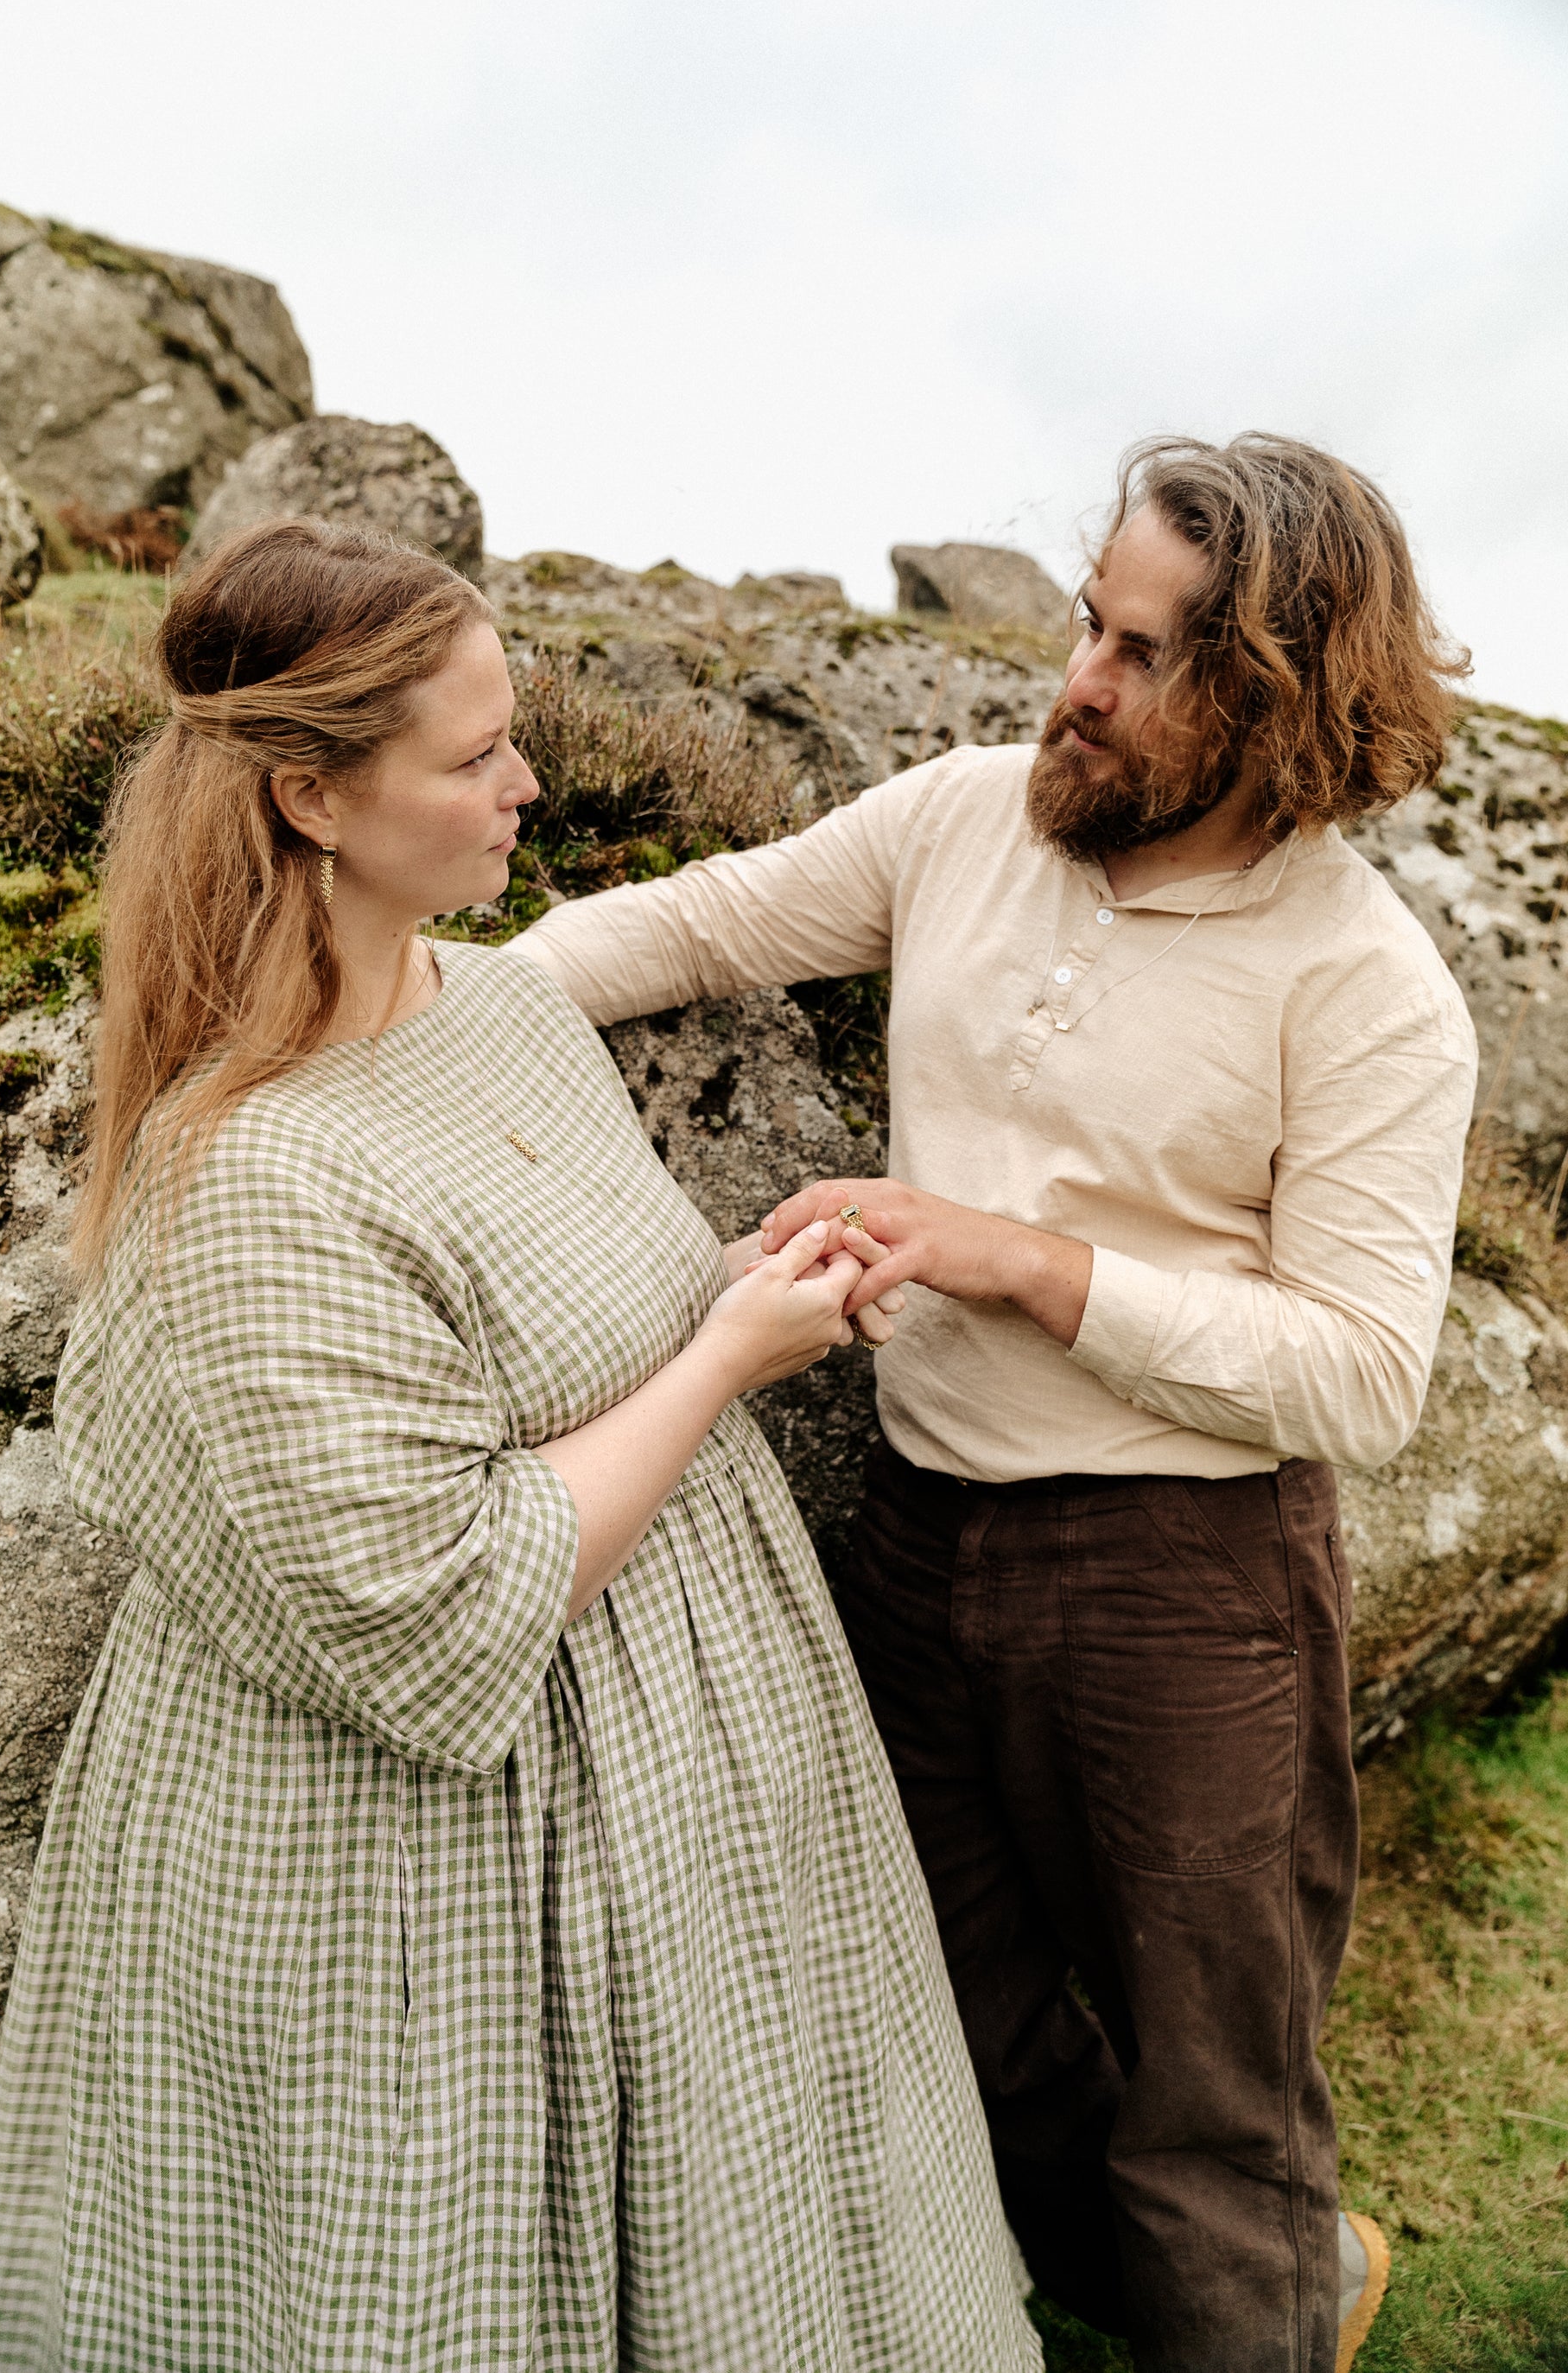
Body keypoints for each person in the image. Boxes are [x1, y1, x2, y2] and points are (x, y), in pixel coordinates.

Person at [0, 520, 1043, 2372]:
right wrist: (729, 1357)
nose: (529, 780)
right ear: (309, 796)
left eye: (512, 730)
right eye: (472, 757)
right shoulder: (252, 1178)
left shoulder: (517, 1005)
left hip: (699, 1752)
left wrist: (742, 1276)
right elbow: (445, 1601)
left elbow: (577, 1328)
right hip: (425, 1840)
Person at [513, 434, 1480, 2373]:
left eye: (1146, 655)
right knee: (932, 2009)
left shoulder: (1369, 988)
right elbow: (703, 925)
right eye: (1085, 621)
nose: (1081, 683)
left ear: (1278, 701)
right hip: (918, 1529)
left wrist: (1028, 1261)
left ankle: (1257, 2307)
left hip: (1187, 1585)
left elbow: (1366, 1374)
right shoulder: (968, 815)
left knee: (1219, 2098)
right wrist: (418, 1011)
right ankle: (1211, 2305)